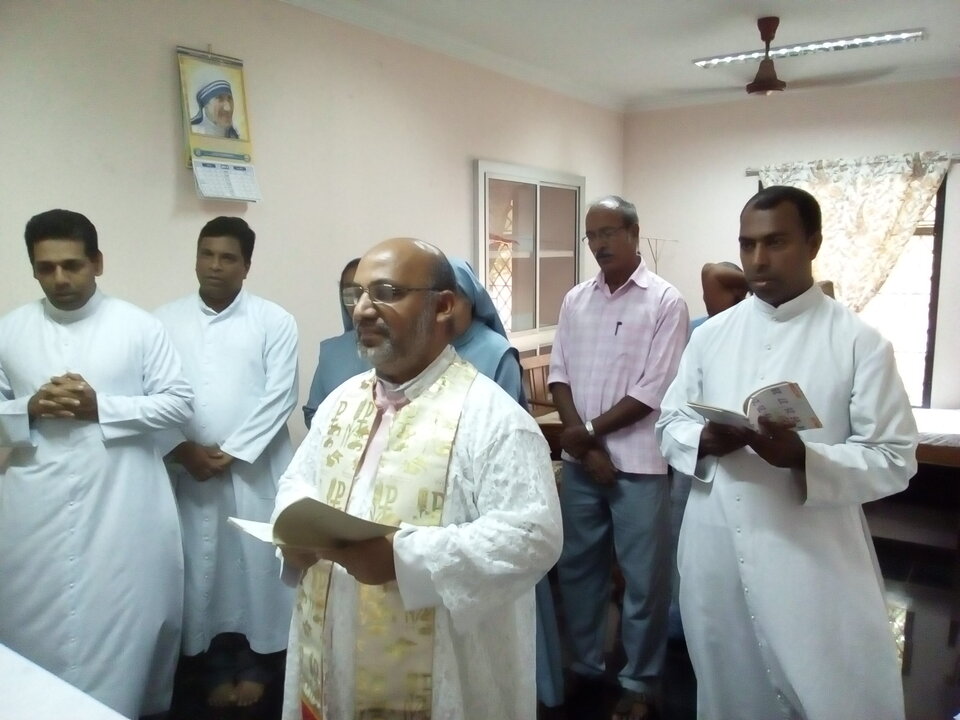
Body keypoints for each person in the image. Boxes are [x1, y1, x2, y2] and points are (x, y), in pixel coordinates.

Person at [273, 237, 563, 720]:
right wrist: (294, 532)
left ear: (443, 306)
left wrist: (402, 560)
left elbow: (532, 535)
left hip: (440, 663)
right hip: (332, 645)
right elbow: (297, 481)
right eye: (357, 294)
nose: (363, 309)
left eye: (386, 292)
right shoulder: (341, 401)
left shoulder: (491, 416)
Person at [655, 186, 916, 720]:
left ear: (813, 243)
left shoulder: (859, 342)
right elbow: (670, 422)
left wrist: (803, 458)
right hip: (715, 544)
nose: (758, 259)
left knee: (827, 686)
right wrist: (704, 440)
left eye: (775, 242)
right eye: (747, 244)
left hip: (811, 553)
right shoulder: (710, 336)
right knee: (728, 688)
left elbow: (894, 457)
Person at [0, 209, 193, 718]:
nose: (59, 279)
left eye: (72, 265)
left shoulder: (139, 327)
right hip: (32, 507)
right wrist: (29, 407)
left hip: (121, 501)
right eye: (46, 268)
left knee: (121, 615)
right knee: (31, 617)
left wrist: (100, 407)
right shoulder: (9, 330)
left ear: (97, 263)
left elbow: (178, 404)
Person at [548, 195, 689, 720]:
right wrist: (585, 448)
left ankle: (639, 681)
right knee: (578, 569)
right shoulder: (576, 300)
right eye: (592, 235)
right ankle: (585, 664)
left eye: (609, 232)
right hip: (585, 466)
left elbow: (655, 389)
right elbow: (559, 374)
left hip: (641, 466)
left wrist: (585, 435)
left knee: (644, 581)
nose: (599, 243)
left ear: (633, 233)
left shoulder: (666, 302)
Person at [155, 217, 298, 710]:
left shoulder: (274, 320)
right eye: (207, 254)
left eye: (227, 257)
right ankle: (212, 669)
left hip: (255, 470)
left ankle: (259, 667)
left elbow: (281, 395)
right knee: (202, 573)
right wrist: (182, 448)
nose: (215, 265)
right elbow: (149, 392)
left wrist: (231, 452)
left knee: (259, 571)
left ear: (246, 266)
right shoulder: (163, 321)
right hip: (189, 470)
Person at [448, 257, 564, 711]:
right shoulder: (432, 349)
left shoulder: (495, 352)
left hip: (492, 487)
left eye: (453, 298)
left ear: (472, 300)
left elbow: (510, 426)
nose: (443, 310)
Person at [302, 258, 370, 428]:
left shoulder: (410, 351)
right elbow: (313, 412)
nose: (362, 303)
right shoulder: (332, 352)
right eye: (351, 293)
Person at [689, 261, 748, 333]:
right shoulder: (696, 329)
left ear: (740, 292)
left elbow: (710, 271)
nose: (706, 297)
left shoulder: (746, 325)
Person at [190, 69, 240, 138]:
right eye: (220, 99)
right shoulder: (195, 133)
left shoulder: (236, 135)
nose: (228, 108)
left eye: (229, 98)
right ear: (206, 105)